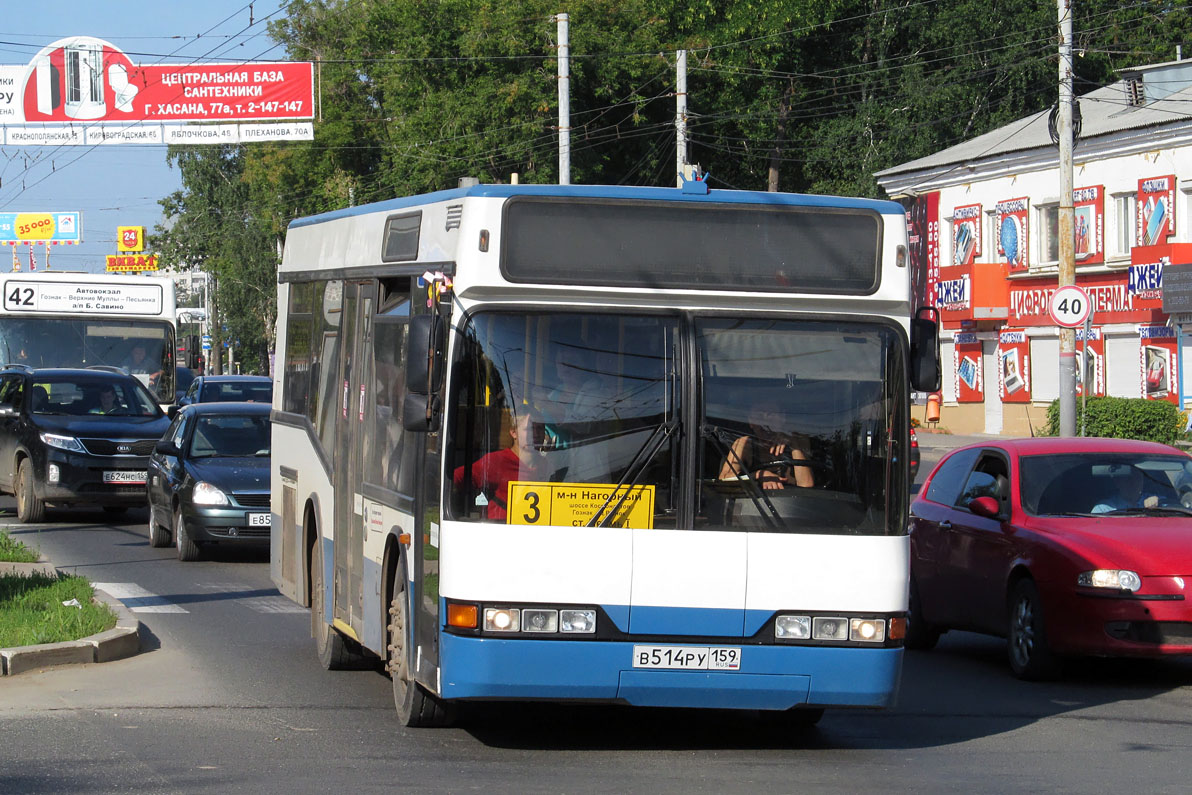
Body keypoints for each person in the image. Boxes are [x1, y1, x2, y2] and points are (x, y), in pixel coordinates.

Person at [452, 411, 540, 521]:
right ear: (513, 433)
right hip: (500, 532)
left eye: (539, 428)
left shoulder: (547, 465)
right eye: (529, 429)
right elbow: (455, 478)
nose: (535, 434)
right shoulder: (497, 461)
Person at [719, 399, 814, 490]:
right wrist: (759, 475)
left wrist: (793, 445)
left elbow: (806, 484)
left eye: (771, 414)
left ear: (782, 418)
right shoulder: (744, 444)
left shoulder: (798, 439)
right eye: (759, 415)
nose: (765, 420)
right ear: (751, 422)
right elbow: (723, 479)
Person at [1091, 466, 1158, 513]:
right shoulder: (1104, 509)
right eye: (1128, 478)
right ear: (1117, 482)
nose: (1133, 482)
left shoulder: (1157, 501)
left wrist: (1157, 507)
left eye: (1137, 477)